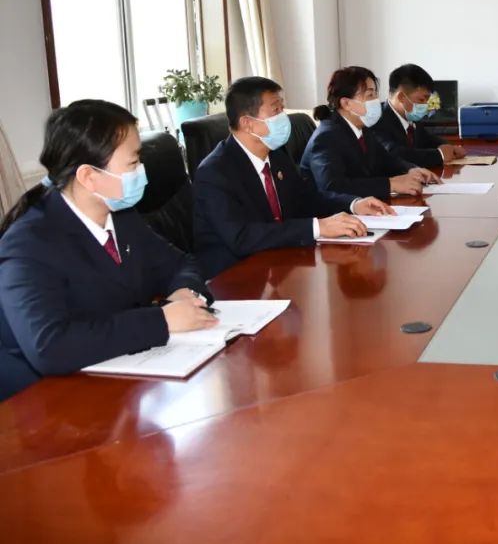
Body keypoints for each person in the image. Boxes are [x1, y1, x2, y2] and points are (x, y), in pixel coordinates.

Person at [0, 100, 217, 394]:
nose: (142, 171)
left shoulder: (121, 216)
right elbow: (49, 346)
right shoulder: (29, 243)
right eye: (133, 163)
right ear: (89, 177)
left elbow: (180, 263)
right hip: (42, 396)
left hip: (118, 375)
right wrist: (162, 320)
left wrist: (184, 292)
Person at [194, 77, 389, 278]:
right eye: (276, 110)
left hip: (280, 262)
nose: (283, 117)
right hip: (235, 277)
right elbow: (242, 237)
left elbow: (306, 199)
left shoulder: (276, 155)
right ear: (248, 123)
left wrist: (353, 204)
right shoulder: (215, 172)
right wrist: (317, 227)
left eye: (282, 108)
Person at [301, 66, 439, 201]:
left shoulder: (362, 128)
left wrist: (411, 170)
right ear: (346, 103)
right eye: (370, 95)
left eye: (376, 95)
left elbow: (386, 159)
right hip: (333, 213)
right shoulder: (326, 137)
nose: (376, 101)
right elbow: (334, 187)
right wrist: (390, 184)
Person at [371, 63, 466, 170]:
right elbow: (394, 154)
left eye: (427, 100)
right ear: (401, 97)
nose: (425, 105)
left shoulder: (411, 117)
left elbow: (428, 140)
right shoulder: (376, 119)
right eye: (421, 100)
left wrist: (451, 148)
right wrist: (439, 155)